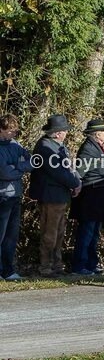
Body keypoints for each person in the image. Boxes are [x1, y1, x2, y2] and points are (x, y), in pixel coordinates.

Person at [28, 115, 82, 277]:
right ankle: (46, 266)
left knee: (59, 232)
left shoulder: (57, 145)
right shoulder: (46, 147)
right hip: (51, 196)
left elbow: (69, 168)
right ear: (58, 133)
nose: (66, 133)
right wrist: (75, 183)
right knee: (50, 232)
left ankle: (57, 265)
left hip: (60, 195)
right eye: (64, 130)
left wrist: (76, 181)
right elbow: (58, 172)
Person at [70, 119, 104, 275]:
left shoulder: (100, 147)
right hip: (91, 197)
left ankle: (91, 263)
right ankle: (79, 265)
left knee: (94, 233)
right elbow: (80, 172)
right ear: (97, 134)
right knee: (87, 232)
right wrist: (76, 185)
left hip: (100, 198)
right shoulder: (88, 149)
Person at [0, 115, 32, 281]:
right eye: (9, 130)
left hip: (15, 194)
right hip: (3, 196)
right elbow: (4, 173)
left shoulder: (15, 145)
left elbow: (31, 162)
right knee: (1, 234)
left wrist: (18, 167)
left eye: (14, 130)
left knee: (11, 236)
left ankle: (8, 270)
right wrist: (21, 168)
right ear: (1, 129)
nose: (12, 133)